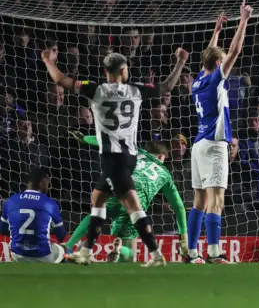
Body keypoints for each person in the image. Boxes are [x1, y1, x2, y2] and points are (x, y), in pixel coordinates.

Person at [41, 46, 189, 266]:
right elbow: (167, 86)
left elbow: (62, 80)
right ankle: (86, 251)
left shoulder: (96, 90)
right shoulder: (136, 91)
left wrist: (47, 60)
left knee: (133, 207)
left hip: (113, 157)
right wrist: (180, 62)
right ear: (123, 70)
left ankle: (156, 255)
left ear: (105, 71)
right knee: (98, 199)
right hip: (130, 155)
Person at [186, 3, 252, 264]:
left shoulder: (198, 81)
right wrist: (243, 20)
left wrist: (216, 30)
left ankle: (192, 253)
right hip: (214, 146)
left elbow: (208, 58)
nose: (228, 63)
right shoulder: (214, 80)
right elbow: (235, 50)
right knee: (216, 200)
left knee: (199, 200)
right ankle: (213, 253)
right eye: (222, 61)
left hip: (198, 144)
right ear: (218, 63)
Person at [63, 133, 188, 263]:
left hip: (120, 186)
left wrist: (84, 138)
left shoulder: (136, 151)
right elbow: (179, 207)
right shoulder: (165, 174)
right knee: (129, 251)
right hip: (135, 202)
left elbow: (106, 142)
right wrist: (183, 237)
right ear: (161, 156)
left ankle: (68, 245)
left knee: (98, 211)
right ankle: (119, 249)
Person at [0, 168, 67, 263]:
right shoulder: (50, 203)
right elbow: (61, 235)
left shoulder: (11, 201)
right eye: (48, 183)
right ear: (42, 182)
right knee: (64, 248)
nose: (48, 186)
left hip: (18, 254)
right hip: (43, 256)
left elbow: (2, 229)